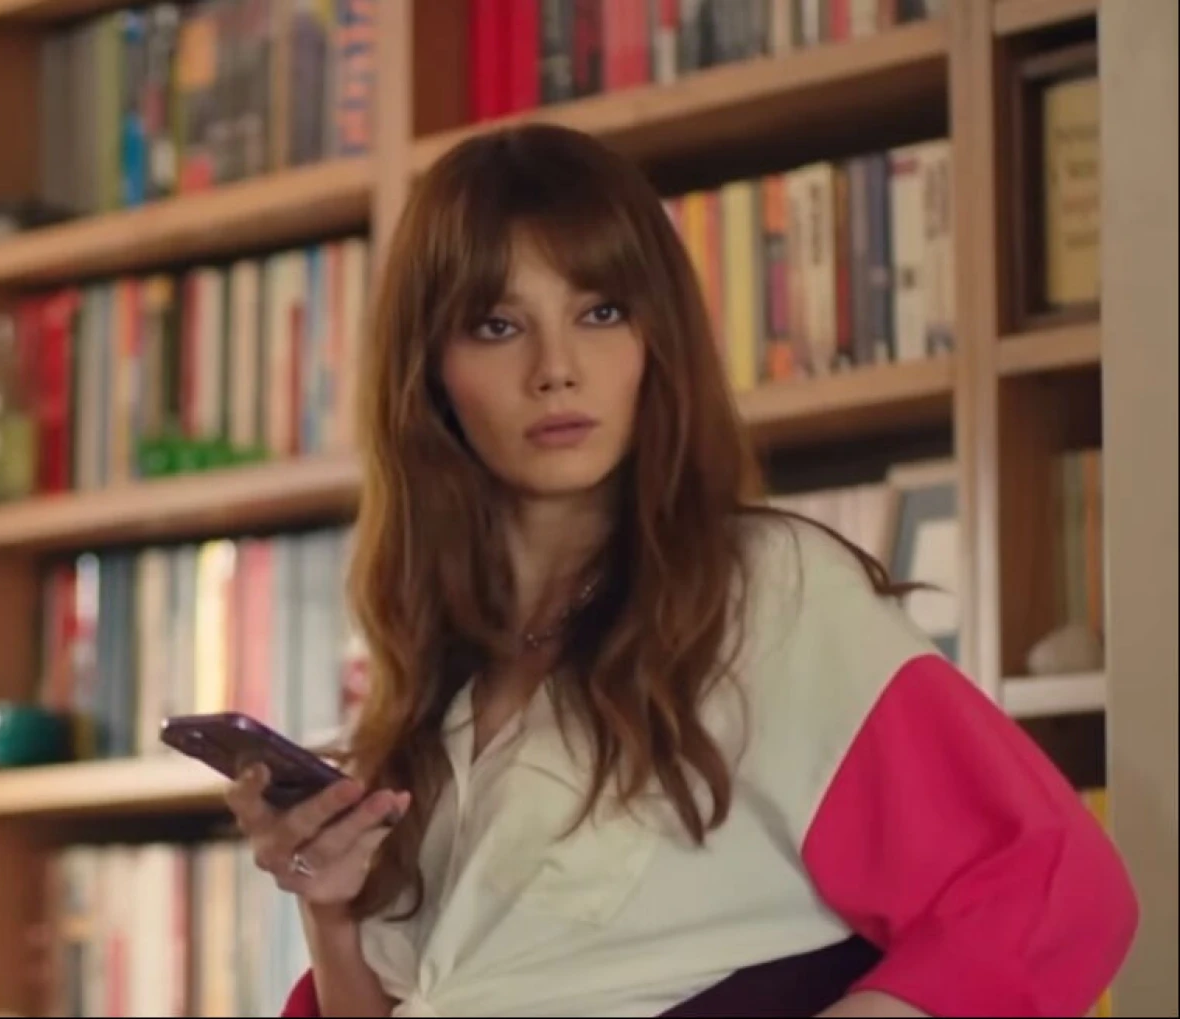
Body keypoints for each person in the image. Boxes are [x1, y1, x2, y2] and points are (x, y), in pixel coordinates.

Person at [225, 123, 1138, 1018]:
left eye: (601, 312)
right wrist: (331, 913)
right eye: (497, 325)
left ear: (655, 339)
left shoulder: (765, 595)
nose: (556, 369)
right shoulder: (430, 676)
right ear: (430, 373)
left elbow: (1053, 888)